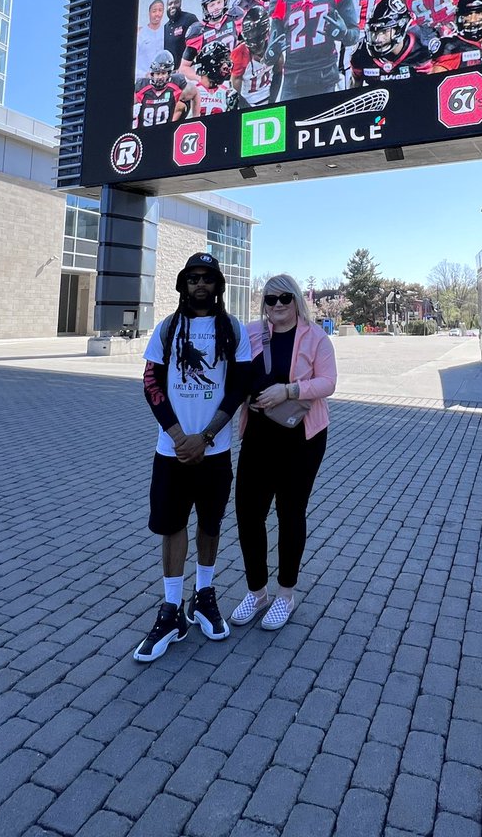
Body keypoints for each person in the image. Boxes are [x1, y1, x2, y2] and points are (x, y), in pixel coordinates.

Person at [134, 252, 251, 661]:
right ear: (183, 285)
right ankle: (171, 610)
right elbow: (151, 381)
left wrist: (207, 436)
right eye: (193, 278)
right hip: (171, 450)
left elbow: (239, 386)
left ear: (218, 286)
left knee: (211, 523)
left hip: (214, 450)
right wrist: (180, 436)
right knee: (172, 526)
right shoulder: (167, 328)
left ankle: (204, 596)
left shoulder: (233, 329)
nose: (200, 285)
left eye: (208, 278)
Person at [231, 275, 337, 630]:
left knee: (291, 513)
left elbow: (328, 382)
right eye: (270, 298)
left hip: (301, 439)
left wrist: (289, 391)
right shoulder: (250, 333)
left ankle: (285, 594)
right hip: (258, 435)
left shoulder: (315, 337)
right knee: (248, 513)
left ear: (297, 301)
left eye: (285, 298)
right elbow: (233, 372)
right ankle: (257, 591)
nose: (277, 305)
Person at [134, 0, 166, 83]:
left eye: (160, 10)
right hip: (142, 81)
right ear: (149, 13)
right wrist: (145, 75)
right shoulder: (140, 33)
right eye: (154, 11)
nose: (157, 14)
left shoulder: (166, 32)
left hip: (162, 82)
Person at [163, 0, 199, 68]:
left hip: (188, 69)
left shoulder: (189, 18)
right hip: (171, 73)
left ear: (180, 4)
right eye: (170, 4)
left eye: (176, 3)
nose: (172, 6)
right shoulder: (165, 27)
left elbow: (199, 42)